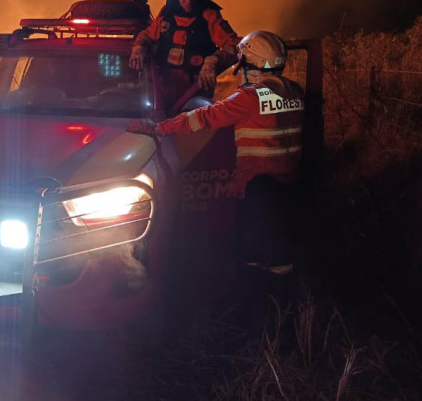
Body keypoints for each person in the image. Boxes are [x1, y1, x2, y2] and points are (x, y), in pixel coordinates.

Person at [126, 30, 304, 275]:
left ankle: (261, 292)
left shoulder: (249, 97)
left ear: (251, 63)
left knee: (254, 257)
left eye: (242, 62)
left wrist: (158, 128)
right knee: (281, 251)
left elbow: (203, 117)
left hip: (257, 186)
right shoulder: (294, 91)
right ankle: (287, 292)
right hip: (290, 184)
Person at [129, 0, 240, 109]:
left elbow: (236, 45)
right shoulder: (166, 15)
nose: (188, 1)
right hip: (163, 92)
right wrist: (138, 47)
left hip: (196, 93)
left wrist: (213, 61)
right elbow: (147, 36)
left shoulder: (209, 16)